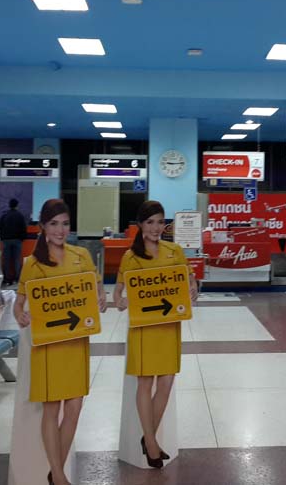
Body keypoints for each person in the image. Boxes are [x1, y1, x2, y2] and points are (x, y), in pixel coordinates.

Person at [12, 199, 105, 485]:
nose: (60, 230)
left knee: (74, 408)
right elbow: (19, 303)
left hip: (76, 343)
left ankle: (55, 470)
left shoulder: (82, 256)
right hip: (49, 345)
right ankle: (60, 475)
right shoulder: (33, 263)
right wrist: (20, 315)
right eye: (53, 224)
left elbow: (96, 289)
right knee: (52, 408)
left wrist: (101, 299)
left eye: (65, 224)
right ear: (42, 226)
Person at [113, 201, 198, 469]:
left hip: (168, 326)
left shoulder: (175, 251)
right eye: (150, 222)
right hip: (143, 327)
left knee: (166, 382)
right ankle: (151, 442)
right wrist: (120, 301)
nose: (155, 228)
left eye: (160, 222)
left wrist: (193, 288)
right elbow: (118, 292)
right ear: (140, 225)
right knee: (145, 382)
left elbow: (190, 280)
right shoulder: (131, 257)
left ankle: (147, 438)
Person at [0, 198, 28, 286]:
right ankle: (17, 279)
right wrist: (22, 238)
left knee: (6, 260)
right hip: (17, 240)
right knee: (17, 260)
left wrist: (2, 238)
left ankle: (7, 279)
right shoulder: (20, 216)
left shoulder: (5, 215)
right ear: (17, 206)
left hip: (6, 241)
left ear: (9, 205)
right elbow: (24, 228)